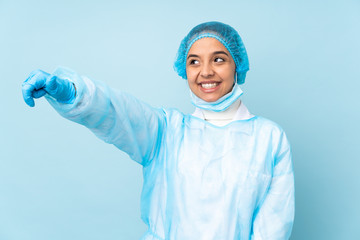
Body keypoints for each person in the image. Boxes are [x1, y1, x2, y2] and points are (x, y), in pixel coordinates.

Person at [21, 21, 294, 240]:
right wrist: (70, 92)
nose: (206, 72)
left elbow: (273, 226)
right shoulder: (166, 132)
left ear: (238, 66)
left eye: (219, 59)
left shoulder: (268, 138)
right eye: (194, 62)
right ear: (184, 70)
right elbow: (116, 111)